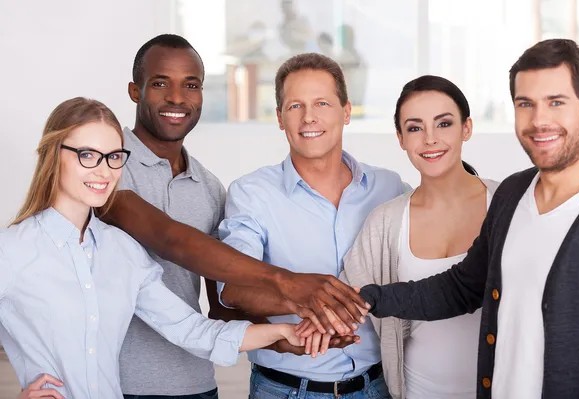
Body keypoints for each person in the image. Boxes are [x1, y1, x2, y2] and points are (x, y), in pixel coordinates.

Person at [1, 97, 303, 399]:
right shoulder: (12, 251)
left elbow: (190, 330)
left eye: (114, 157)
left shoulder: (122, 250)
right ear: (53, 155)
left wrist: (281, 332)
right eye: (88, 155)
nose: (104, 171)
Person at [358, 39, 579, 399]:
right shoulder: (513, 195)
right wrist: (367, 299)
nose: (539, 120)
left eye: (556, 102)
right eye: (525, 104)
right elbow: (461, 287)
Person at [102, 36, 371, 347]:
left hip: (197, 386)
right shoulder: (104, 166)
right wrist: (288, 284)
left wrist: (282, 340)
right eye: (161, 84)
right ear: (136, 91)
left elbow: (221, 306)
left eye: (190, 85)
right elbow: (171, 240)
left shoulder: (210, 187)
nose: (176, 98)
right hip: (120, 385)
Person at [217, 53, 411, 398]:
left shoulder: (389, 187)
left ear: (346, 111)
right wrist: (302, 301)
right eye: (295, 106)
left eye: (322, 102)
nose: (309, 117)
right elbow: (233, 290)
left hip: (376, 387)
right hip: (286, 390)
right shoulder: (251, 193)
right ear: (279, 117)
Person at [339, 75, 499, 398]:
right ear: (400, 137)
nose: (430, 139)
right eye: (414, 128)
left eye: (444, 124)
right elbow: (346, 298)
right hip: (417, 390)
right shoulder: (386, 222)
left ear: (467, 127)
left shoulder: (506, 205)